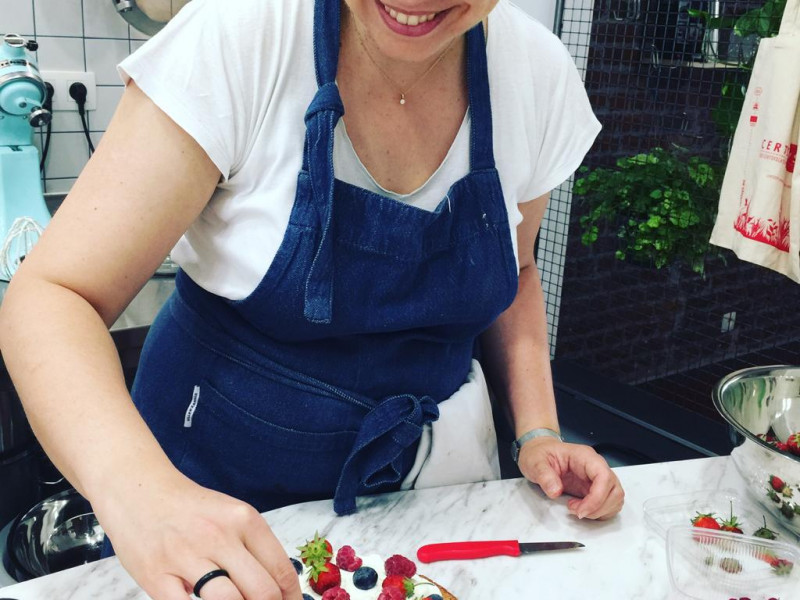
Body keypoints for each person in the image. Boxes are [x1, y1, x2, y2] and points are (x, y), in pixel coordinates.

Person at [0, 0, 625, 599]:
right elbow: (54, 296)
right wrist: (143, 499)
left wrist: (537, 432)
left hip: (428, 494)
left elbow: (512, 270)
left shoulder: (537, 73)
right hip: (213, 499)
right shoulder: (244, 34)